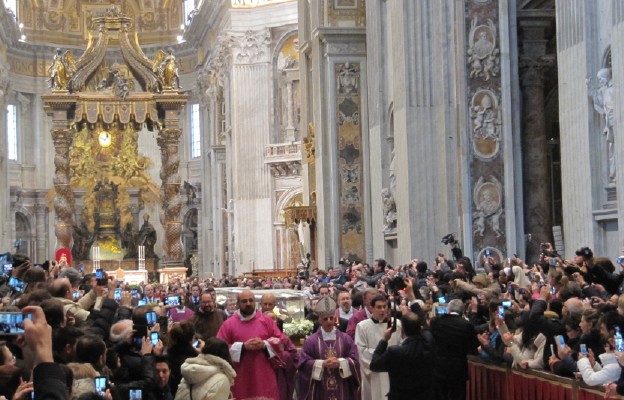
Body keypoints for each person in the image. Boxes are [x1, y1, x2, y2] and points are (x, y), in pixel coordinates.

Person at [216, 290, 284, 400]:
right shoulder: (228, 324)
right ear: (238, 304)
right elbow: (218, 348)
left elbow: (281, 341)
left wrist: (264, 344)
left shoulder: (266, 321)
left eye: (251, 300)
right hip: (239, 377)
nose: (248, 303)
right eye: (244, 301)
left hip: (263, 376)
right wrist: (243, 347)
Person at [298, 297, 360, 400]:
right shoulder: (311, 341)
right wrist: (321, 364)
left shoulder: (345, 339)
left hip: (342, 386)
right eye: (325, 319)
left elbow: (355, 360)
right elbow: (303, 363)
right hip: (320, 388)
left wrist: (341, 363)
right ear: (320, 320)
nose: (329, 322)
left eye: (331, 318)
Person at [370, 311, 434, 399]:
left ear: (403, 329)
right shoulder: (430, 344)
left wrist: (384, 340)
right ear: (420, 328)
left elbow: (374, 365)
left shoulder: (395, 352)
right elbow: (427, 331)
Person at [430, 299, 479, 400]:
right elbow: (473, 346)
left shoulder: (436, 321)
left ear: (448, 309)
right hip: (458, 368)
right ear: (462, 311)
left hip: (439, 367)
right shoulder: (466, 325)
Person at [355, 294, 402, 400]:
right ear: (371, 308)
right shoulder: (362, 326)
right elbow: (362, 352)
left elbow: (402, 345)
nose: (382, 310)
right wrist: (385, 357)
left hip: (393, 371)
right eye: (379, 307)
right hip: (374, 374)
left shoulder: (397, 324)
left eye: (384, 306)